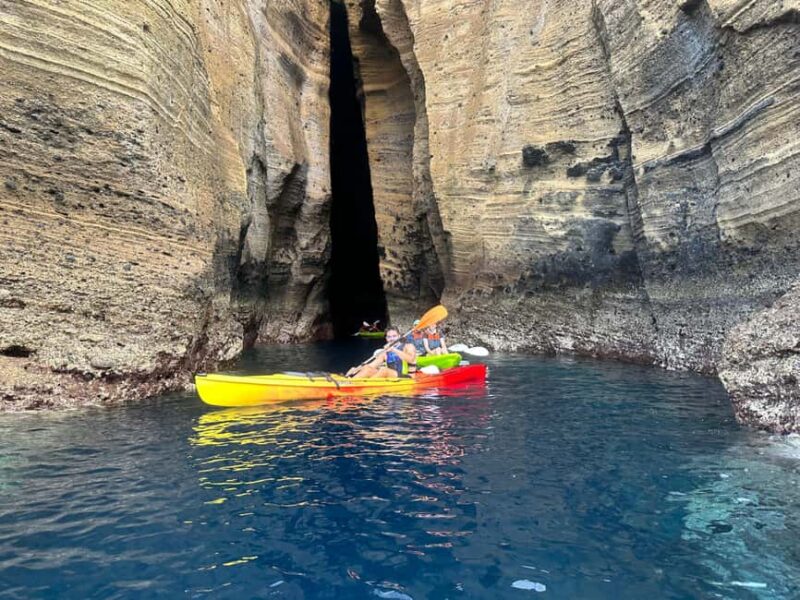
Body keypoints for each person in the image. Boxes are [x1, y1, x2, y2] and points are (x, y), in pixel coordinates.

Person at [347, 326, 417, 378]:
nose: (391, 339)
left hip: (407, 377)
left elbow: (411, 359)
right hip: (391, 376)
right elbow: (371, 366)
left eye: (394, 336)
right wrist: (358, 369)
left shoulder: (408, 346)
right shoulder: (385, 352)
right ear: (386, 338)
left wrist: (394, 349)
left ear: (399, 336)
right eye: (389, 337)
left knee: (384, 370)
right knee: (366, 368)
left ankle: (365, 386)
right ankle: (350, 382)